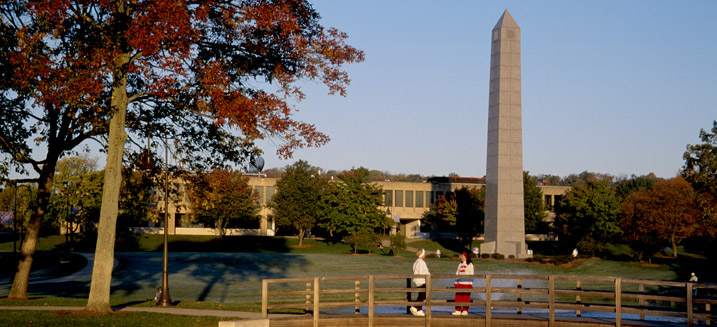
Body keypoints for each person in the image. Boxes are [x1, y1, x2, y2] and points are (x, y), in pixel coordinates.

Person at [410, 248, 430, 316]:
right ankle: (415, 307)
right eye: (424, 253)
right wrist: (428, 275)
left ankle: (419, 310)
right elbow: (422, 272)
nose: (425, 255)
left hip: (417, 280)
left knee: (421, 295)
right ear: (422, 254)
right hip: (422, 280)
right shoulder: (421, 262)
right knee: (423, 295)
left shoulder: (416, 262)